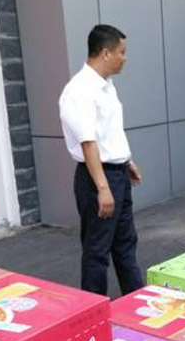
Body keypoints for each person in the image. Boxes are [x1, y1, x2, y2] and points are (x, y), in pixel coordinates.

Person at [59, 24, 144, 296]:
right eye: (122, 52)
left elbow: (109, 131)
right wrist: (103, 188)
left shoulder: (107, 85)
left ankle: (136, 301)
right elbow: (88, 142)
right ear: (105, 53)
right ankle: (94, 310)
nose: (125, 58)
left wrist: (127, 161)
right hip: (97, 177)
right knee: (97, 250)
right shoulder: (80, 90)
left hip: (117, 174)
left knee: (126, 244)